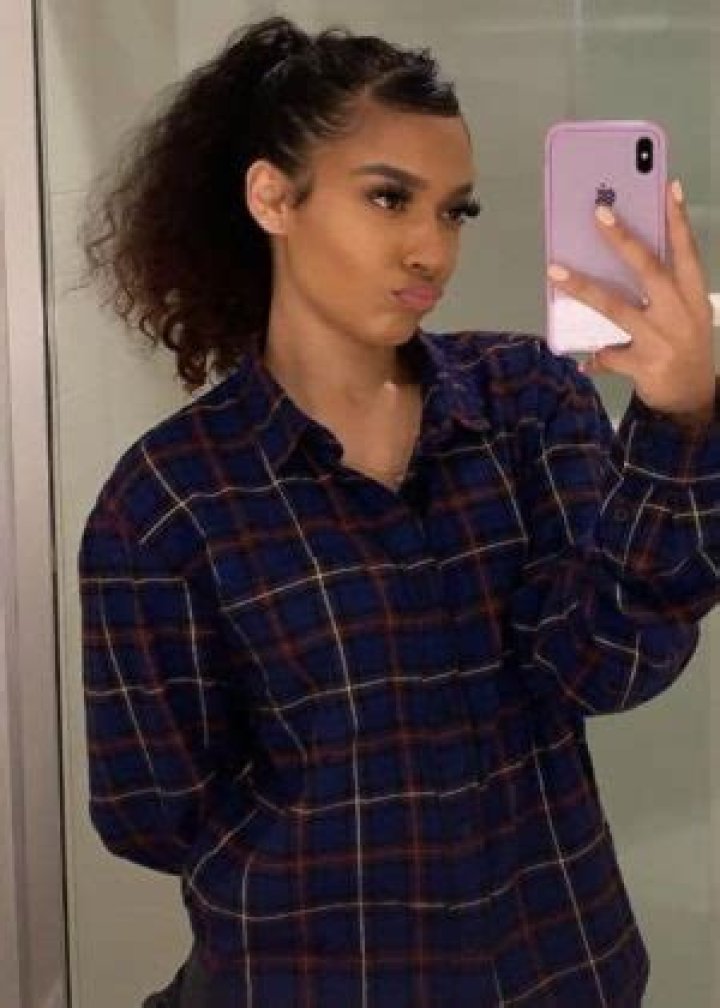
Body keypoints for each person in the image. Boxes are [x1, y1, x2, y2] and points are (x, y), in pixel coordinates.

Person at [76, 15, 719, 1008]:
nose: (432, 248)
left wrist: (679, 419)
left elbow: (603, 665)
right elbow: (153, 811)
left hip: (556, 969)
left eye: (455, 212)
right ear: (272, 197)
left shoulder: (526, 400)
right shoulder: (168, 502)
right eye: (389, 198)